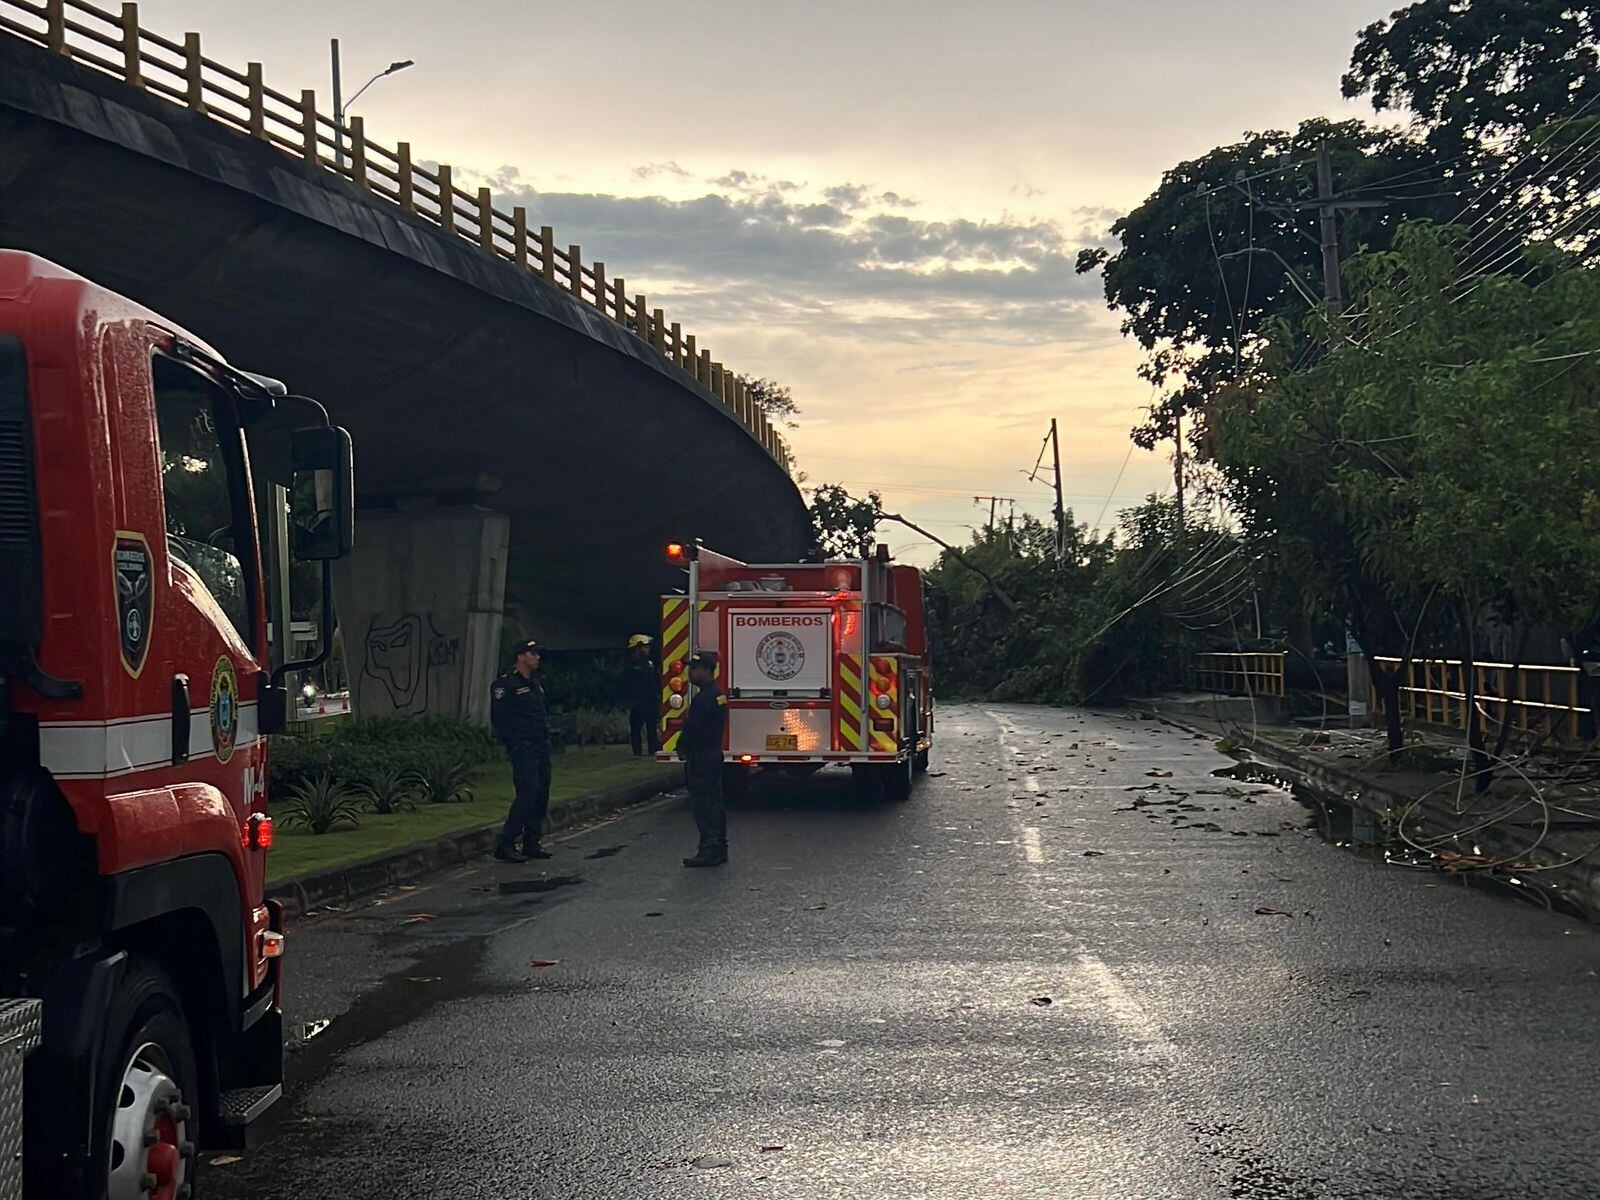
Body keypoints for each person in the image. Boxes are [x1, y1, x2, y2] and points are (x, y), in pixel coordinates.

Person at [489, 639, 553, 863]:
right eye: (533, 654)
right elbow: (500, 719)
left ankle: (532, 841)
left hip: (540, 745)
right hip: (523, 747)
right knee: (528, 793)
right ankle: (506, 842)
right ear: (521, 657)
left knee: (541, 794)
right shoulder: (505, 686)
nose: (537, 658)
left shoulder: (535, 683)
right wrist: (514, 743)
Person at [678, 651, 728, 868]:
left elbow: (693, 728)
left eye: (694, 668)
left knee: (703, 804)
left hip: (701, 756)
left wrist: (682, 746)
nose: (690, 672)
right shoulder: (717, 694)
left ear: (705, 670)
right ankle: (719, 847)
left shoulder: (704, 699)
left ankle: (709, 849)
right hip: (713, 753)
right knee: (715, 801)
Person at [624, 633, 660, 756]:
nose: (648, 649)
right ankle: (637, 751)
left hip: (650, 701)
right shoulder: (633, 666)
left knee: (651, 727)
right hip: (639, 702)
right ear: (638, 648)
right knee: (636, 728)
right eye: (645, 647)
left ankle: (653, 749)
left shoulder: (649, 663)